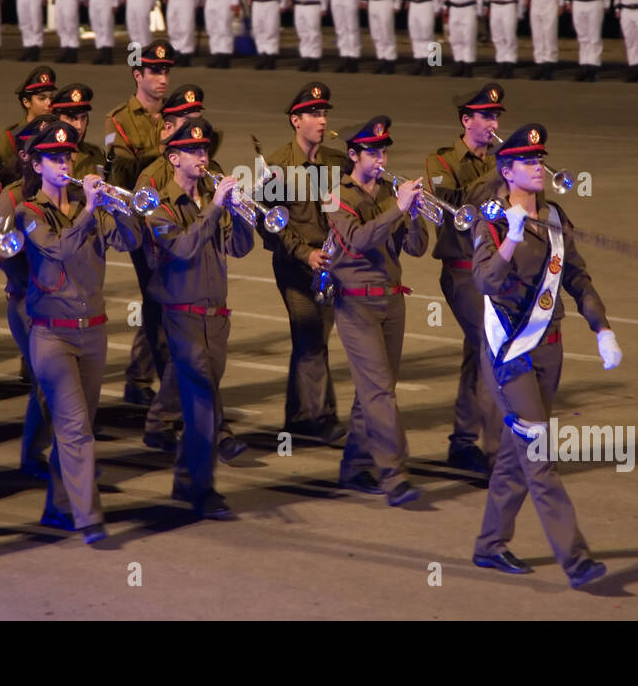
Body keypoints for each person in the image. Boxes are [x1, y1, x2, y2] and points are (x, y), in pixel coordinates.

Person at [468, 122, 619, 589]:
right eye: (530, 162)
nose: (539, 167)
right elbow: (486, 282)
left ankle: (489, 545)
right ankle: (577, 561)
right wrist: (511, 237)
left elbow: (577, 277)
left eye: (540, 159)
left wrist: (602, 327)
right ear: (507, 170)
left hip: (549, 351)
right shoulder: (489, 220)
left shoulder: (554, 216)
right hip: (510, 356)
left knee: (516, 455)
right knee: (540, 457)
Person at [17, 121, 142, 543]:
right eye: (54, 158)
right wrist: (89, 209)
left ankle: (58, 507)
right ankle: (90, 520)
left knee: (77, 427)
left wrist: (117, 207)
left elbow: (129, 242)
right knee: (75, 429)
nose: (64, 164)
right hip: (52, 335)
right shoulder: (29, 212)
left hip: (94, 331)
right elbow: (60, 250)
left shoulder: (90, 207)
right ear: (37, 164)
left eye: (68, 157)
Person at [142, 116, 254, 518]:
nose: (203, 156)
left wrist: (240, 212)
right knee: (203, 403)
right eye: (193, 150)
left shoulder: (211, 200)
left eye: (205, 150)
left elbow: (238, 248)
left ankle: (186, 481)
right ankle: (202, 491)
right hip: (182, 317)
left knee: (197, 407)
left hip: (217, 318)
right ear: (174, 158)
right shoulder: (158, 204)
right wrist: (216, 209)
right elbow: (183, 250)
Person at [328, 115, 427, 506]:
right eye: (372, 152)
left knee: (371, 391)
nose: (380, 158)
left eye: (383, 150)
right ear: (354, 155)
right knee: (380, 392)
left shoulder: (390, 192)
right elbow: (356, 243)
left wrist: (415, 215)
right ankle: (394, 474)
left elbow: (417, 249)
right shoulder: (336, 195)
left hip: (392, 298)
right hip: (355, 303)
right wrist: (396, 209)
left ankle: (354, 467)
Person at [261, 82, 348, 443]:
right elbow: (269, 226)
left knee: (314, 338)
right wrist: (304, 253)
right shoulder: (278, 166)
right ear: (296, 120)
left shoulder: (335, 162)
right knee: (310, 334)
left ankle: (298, 417)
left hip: (328, 263)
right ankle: (319, 417)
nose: (322, 121)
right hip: (295, 264)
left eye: (324, 113)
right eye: (314, 114)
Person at [425, 84, 506, 473]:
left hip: (495, 272)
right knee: (490, 350)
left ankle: (462, 442)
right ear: (466, 120)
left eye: (496, 117)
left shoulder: (499, 165)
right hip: (461, 273)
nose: (493, 124)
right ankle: (494, 452)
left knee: (478, 356)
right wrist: (500, 171)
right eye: (486, 117)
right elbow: (455, 204)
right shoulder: (441, 161)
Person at [0, 114, 61, 479]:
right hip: (26, 302)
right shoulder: (13, 196)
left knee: (60, 384)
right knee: (46, 382)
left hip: (61, 304)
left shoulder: (67, 192)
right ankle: (33, 455)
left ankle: (61, 457)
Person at [106, 41, 171, 404]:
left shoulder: (175, 113)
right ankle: (156, 384)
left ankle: (139, 377)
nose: (162, 79)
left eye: (165, 72)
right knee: (157, 295)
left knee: (158, 298)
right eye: (155, 72)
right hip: (139, 222)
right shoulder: (118, 119)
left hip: (172, 219)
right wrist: (161, 152)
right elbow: (121, 169)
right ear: (138, 75)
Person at [0, 66, 57, 187]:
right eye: (42, 98)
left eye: (51, 97)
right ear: (26, 102)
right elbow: (7, 179)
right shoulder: (12, 136)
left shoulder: (58, 132)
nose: (49, 103)